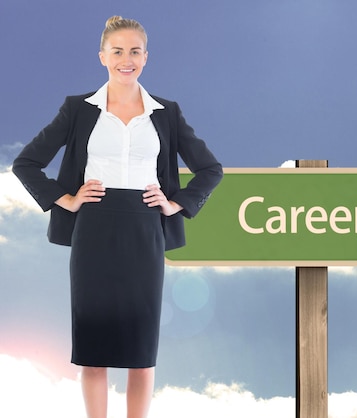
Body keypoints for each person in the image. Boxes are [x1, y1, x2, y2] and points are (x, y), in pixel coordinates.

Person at [12, 15, 223, 418]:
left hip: (144, 229)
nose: (126, 59)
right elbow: (26, 163)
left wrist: (175, 202)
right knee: (93, 349)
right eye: (117, 51)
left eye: (135, 51)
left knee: (141, 351)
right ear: (102, 57)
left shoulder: (167, 113)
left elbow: (211, 169)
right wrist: (66, 198)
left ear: (146, 56)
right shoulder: (78, 109)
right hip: (93, 229)